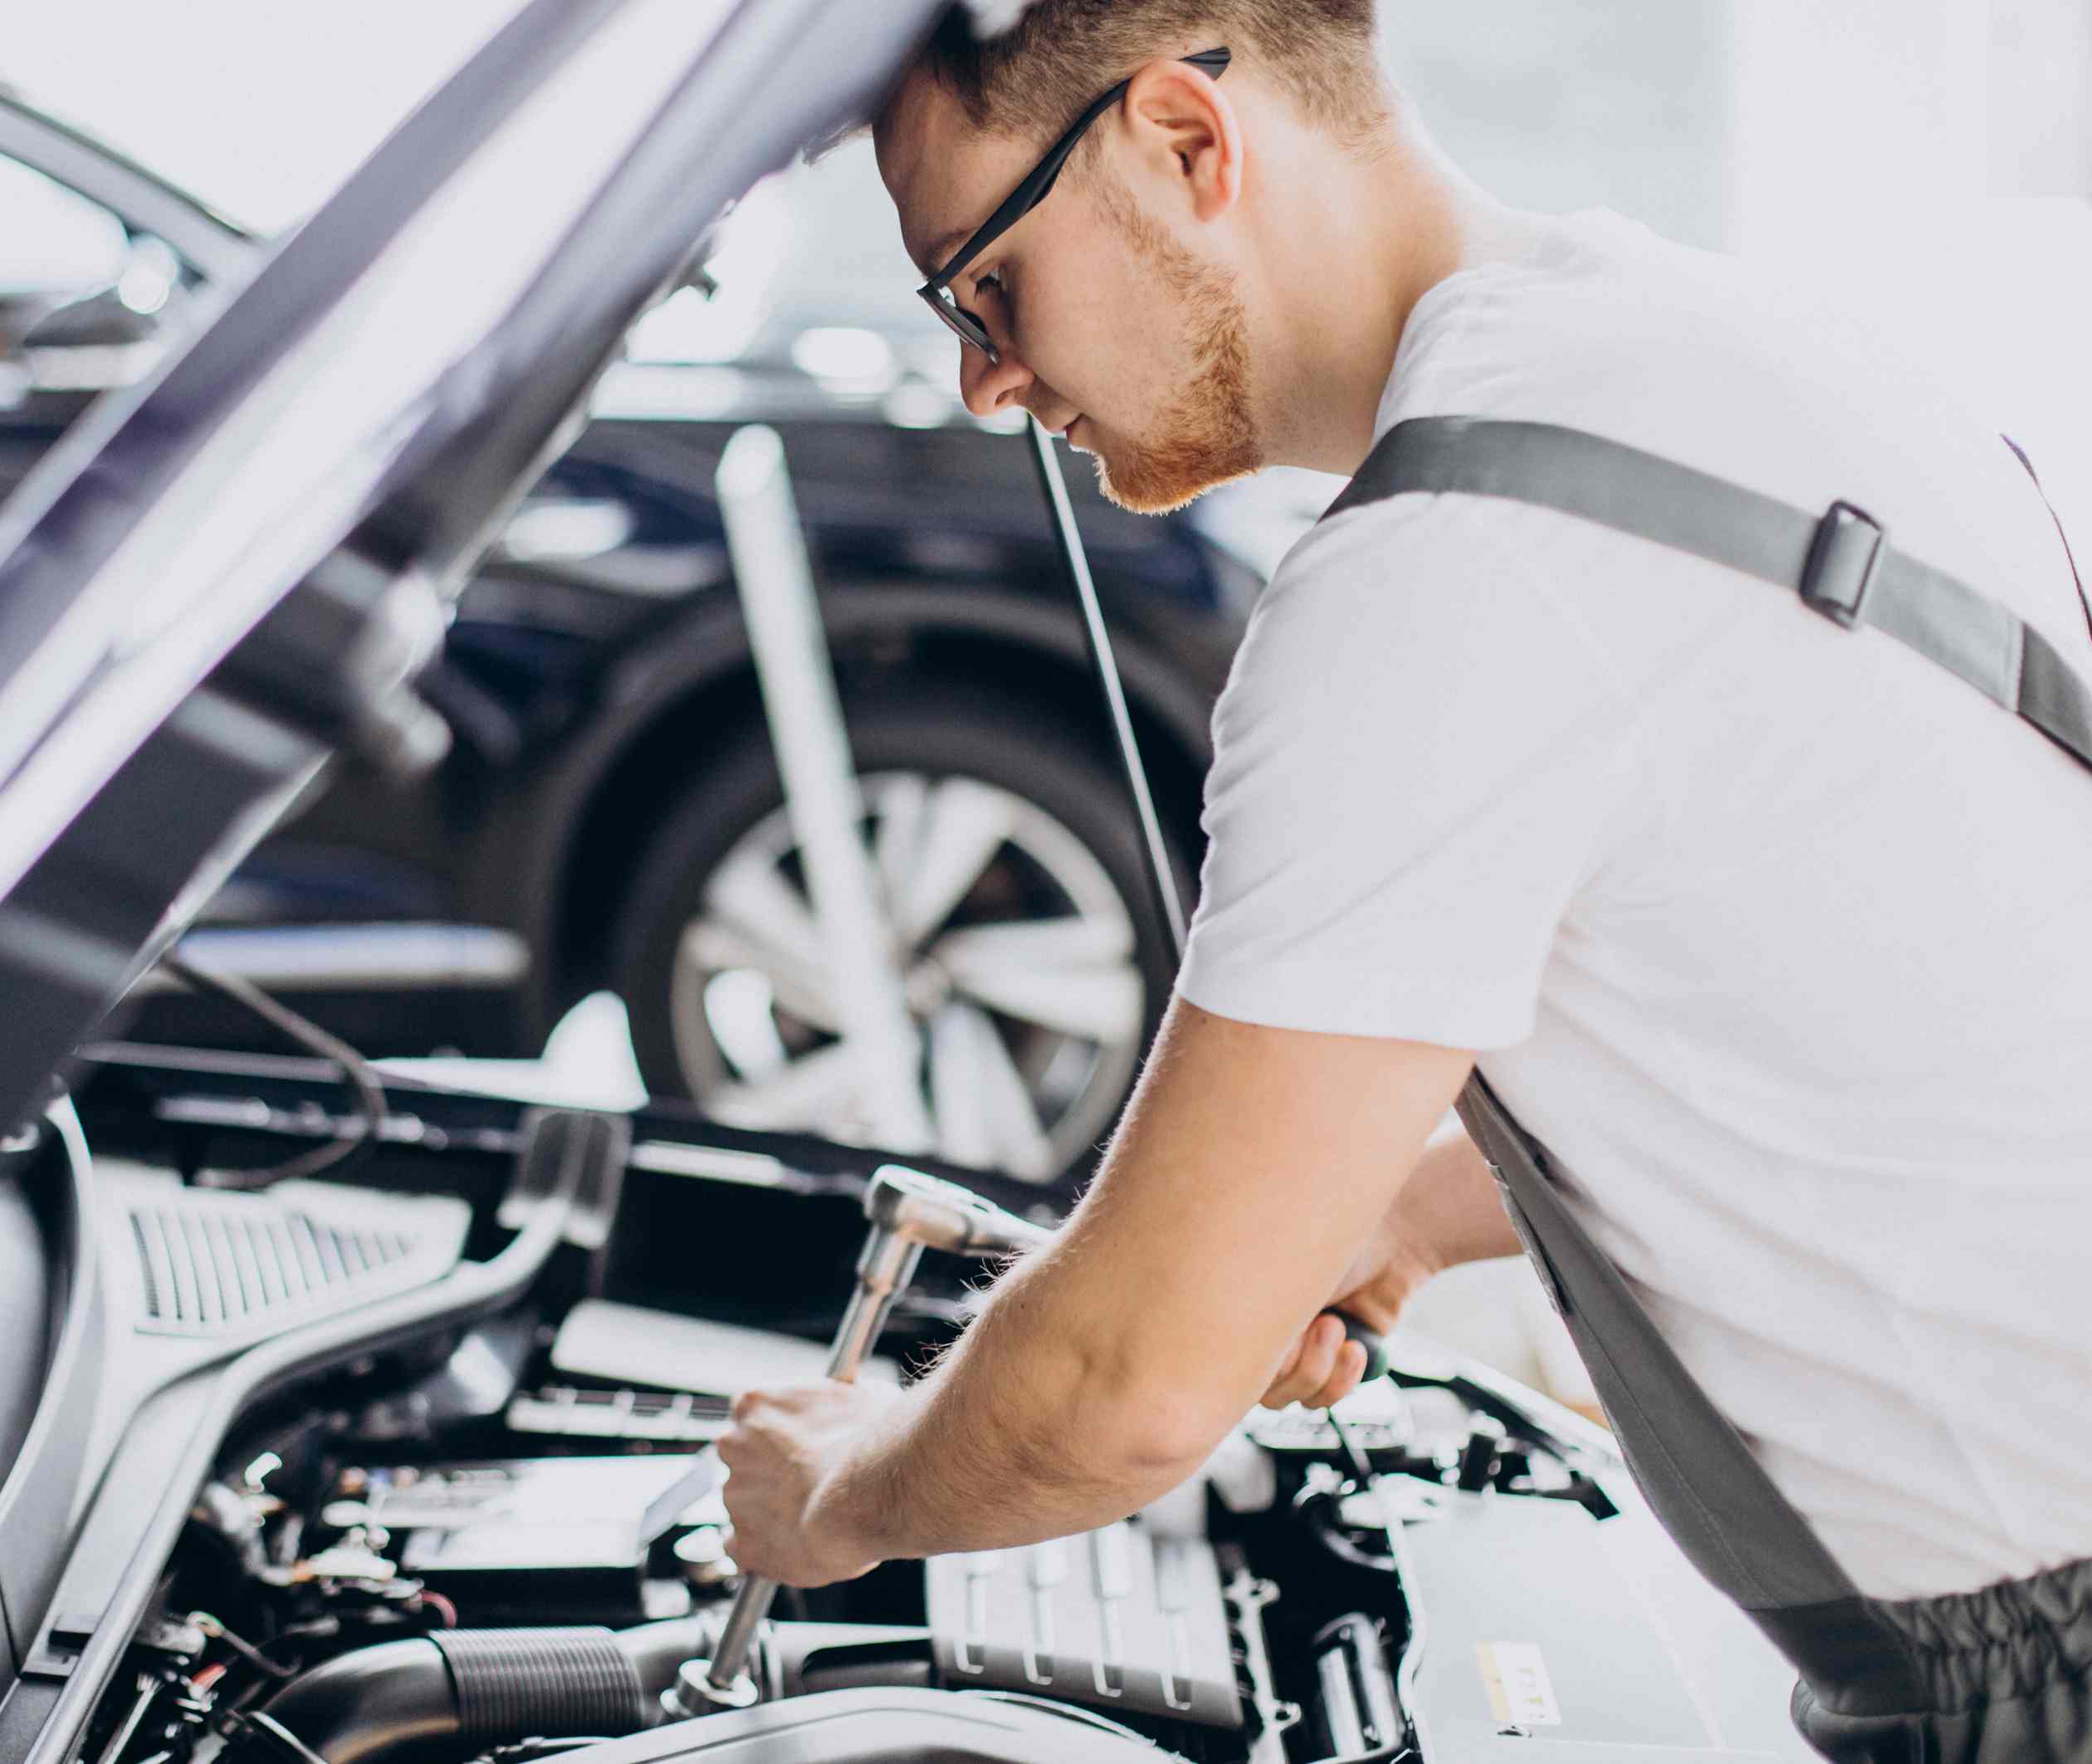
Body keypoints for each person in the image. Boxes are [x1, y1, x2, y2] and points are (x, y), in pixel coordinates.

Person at [717, 0, 2092, 1750]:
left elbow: (1127, 1382)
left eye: (984, 284)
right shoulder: (1728, 346)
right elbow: (1859, 1025)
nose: (983, 379)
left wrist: (839, 1495)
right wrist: (1393, 1204)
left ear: (1185, 143)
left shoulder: (1445, 571)